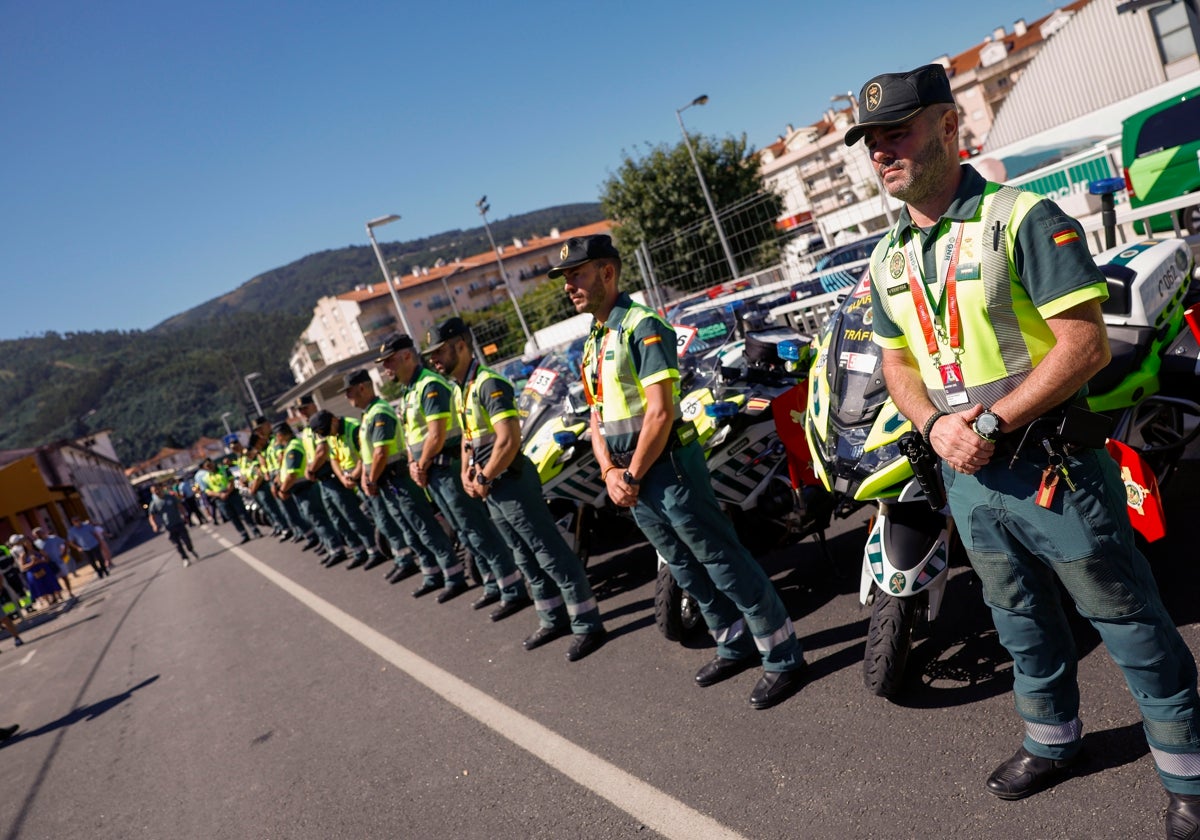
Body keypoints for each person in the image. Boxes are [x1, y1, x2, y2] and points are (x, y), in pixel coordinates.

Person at [849, 63, 1200, 837]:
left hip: (1053, 468)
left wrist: (985, 425)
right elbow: (897, 363)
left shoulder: (1021, 217)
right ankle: (1053, 741)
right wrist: (937, 427)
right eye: (871, 142)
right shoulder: (889, 255)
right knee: (1016, 616)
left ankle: (1188, 773)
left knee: (1126, 615)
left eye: (896, 132)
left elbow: (1084, 345)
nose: (881, 152)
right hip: (967, 476)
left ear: (949, 127)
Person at [553, 234, 807, 706]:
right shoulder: (594, 337)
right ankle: (732, 644)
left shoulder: (642, 326)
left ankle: (783, 656)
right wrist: (609, 469)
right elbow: (596, 416)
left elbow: (659, 412)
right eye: (566, 278)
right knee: (682, 565)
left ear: (608, 273)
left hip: (667, 465)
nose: (569, 286)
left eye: (577, 275)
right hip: (631, 474)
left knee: (721, 560)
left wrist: (627, 475)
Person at [427, 318, 614, 662]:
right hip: (491, 487)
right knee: (523, 556)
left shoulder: (489, 383)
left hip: (510, 481)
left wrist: (481, 477)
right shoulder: (460, 387)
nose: (433, 359)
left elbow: (508, 440)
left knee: (548, 552)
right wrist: (470, 473)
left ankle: (588, 623)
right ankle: (552, 617)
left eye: (439, 351)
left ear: (461, 345)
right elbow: (471, 439)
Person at [374, 340, 476, 601]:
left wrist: (418, 465)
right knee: (461, 529)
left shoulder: (429, 384)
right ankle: (486, 581)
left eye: (389, 361)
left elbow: (436, 433)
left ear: (407, 356)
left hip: (446, 466)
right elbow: (411, 436)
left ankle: (504, 584)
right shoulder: (410, 391)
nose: (386, 369)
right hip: (429, 471)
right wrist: (414, 464)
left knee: (472, 527)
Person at [341, 370, 425, 583]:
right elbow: (366, 454)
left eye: (349, 391)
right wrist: (365, 478)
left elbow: (380, 452)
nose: (346, 397)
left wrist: (370, 479)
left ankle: (447, 572)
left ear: (363, 387)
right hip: (384, 479)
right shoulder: (368, 414)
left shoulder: (379, 412)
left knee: (419, 526)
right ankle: (430, 570)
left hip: (395, 476)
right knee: (406, 527)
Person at [307, 409, 384, 569]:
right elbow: (333, 457)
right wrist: (343, 477)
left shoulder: (352, 427)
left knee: (369, 516)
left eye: (328, 430)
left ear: (334, 420)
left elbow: (365, 455)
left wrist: (354, 475)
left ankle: (376, 550)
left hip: (365, 476)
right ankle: (363, 550)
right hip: (349, 479)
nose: (328, 435)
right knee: (347, 517)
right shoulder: (331, 434)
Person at [274, 422, 346, 563]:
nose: (276, 440)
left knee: (319, 520)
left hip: (305, 488)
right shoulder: (290, 446)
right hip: (300, 490)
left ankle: (336, 549)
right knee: (314, 520)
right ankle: (329, 547)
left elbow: (292, 474)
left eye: (277, 436)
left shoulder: (293, 447)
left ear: (282, 435)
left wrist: (283, 489)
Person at [197, 453, 262, 544]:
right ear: (205, 468)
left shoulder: (224, 469)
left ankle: (255, 530)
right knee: (232, 517)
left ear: (213, 462)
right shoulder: (205, 478)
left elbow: (231, 480)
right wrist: (219, 495)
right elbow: (207, 491)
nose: (210, 467)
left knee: (243, 513)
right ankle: (243, 534)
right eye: (207, 466)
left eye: (210, 464)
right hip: (220, 499)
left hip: (232, 494)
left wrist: (227, 492)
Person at [147, 483, 200, 566]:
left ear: (161, 488)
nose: (156, 492)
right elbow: (151, 517)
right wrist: (154, 525)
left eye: (157, 489)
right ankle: (185, 558)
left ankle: (190, 549)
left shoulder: (170, 497)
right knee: (177, 544)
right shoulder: (154, 503)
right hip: (168, 527)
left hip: (178, 522)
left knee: (186, 540)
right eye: (154, 491)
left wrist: (184, 515)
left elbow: (179, 506)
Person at [10, 536, 61, 609]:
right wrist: (32, 563)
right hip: (33, 572)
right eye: (25, 542)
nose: (27, 544)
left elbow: (47, 559)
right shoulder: (23, 555)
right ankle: (47, 601)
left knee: (49, 583)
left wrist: (40, 561)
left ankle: (54, 597)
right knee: (39, 587)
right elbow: (22, 567)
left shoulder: (38, 551)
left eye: (28, 542)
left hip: (44, 569)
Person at [32, 527, 75, 600]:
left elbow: (65, 542)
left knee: (64, 577)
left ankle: (69, 592)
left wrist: (64, 554)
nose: (39, 535)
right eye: (36, 535)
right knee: (53, 580)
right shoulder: (36, 543)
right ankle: (59, 595)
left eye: (39, 533)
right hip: (48, 564)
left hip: (59, 561)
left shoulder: (53, 538)